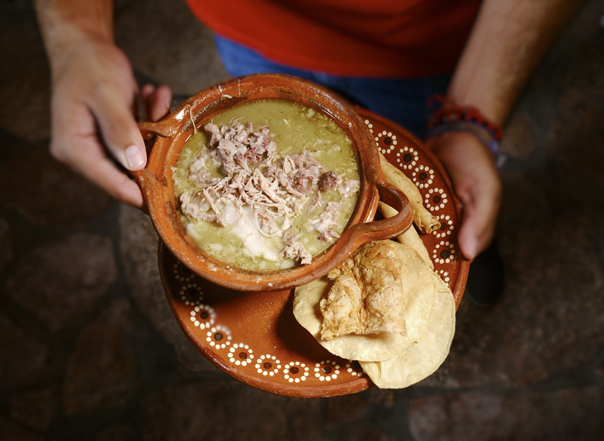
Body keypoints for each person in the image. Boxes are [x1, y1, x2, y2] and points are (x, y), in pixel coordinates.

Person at [33, 0, 584, 300]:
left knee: (435, 182)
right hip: (244, 26)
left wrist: (467, 117)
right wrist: (77, 34)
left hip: (426, 45)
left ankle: (452, 258)